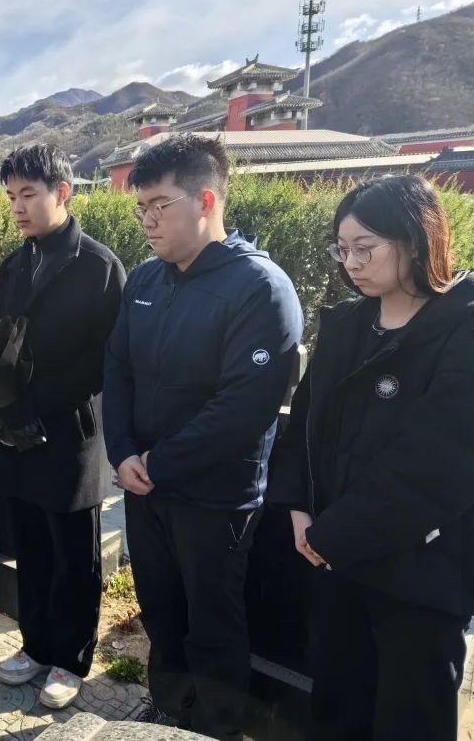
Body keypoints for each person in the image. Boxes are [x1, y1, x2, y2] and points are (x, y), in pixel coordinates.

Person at [268, 175, 474, 741]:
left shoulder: (471, 339)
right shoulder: (347, 326)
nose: (352, 262)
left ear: (417, 240)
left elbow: (445, 468)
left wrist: (334, 535)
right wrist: (300, 508)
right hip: (334, 556)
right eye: (343, 248)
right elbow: (305, 425)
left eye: (366, 247)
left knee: (410, 714)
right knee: (338, 701)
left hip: (421, 574)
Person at [103, 134, 303, 739]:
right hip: (145, 486)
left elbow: (244, 408)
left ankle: (216, 725)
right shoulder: (146, 279)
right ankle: (168, 706)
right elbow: (118, 368)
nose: (147, 220)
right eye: (141, 208)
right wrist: (122, 452)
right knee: (161, 608)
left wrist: (157, 462)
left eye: (158, 206)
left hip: (216, 497)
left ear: (206, 200)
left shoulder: (259, 287)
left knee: (213, 622)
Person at [0, 143, 126, 710]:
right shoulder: (15, 264)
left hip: (70, 432)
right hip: (17, 433)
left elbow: (103, 360)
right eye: (11, 197)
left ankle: (70, 658)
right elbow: (4, 342)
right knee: (31, 547)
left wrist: (36, 400)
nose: (18, 207)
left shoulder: (98, 265)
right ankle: (35, 644)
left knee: (75, 555)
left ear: (62, 192)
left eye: (29, 194)